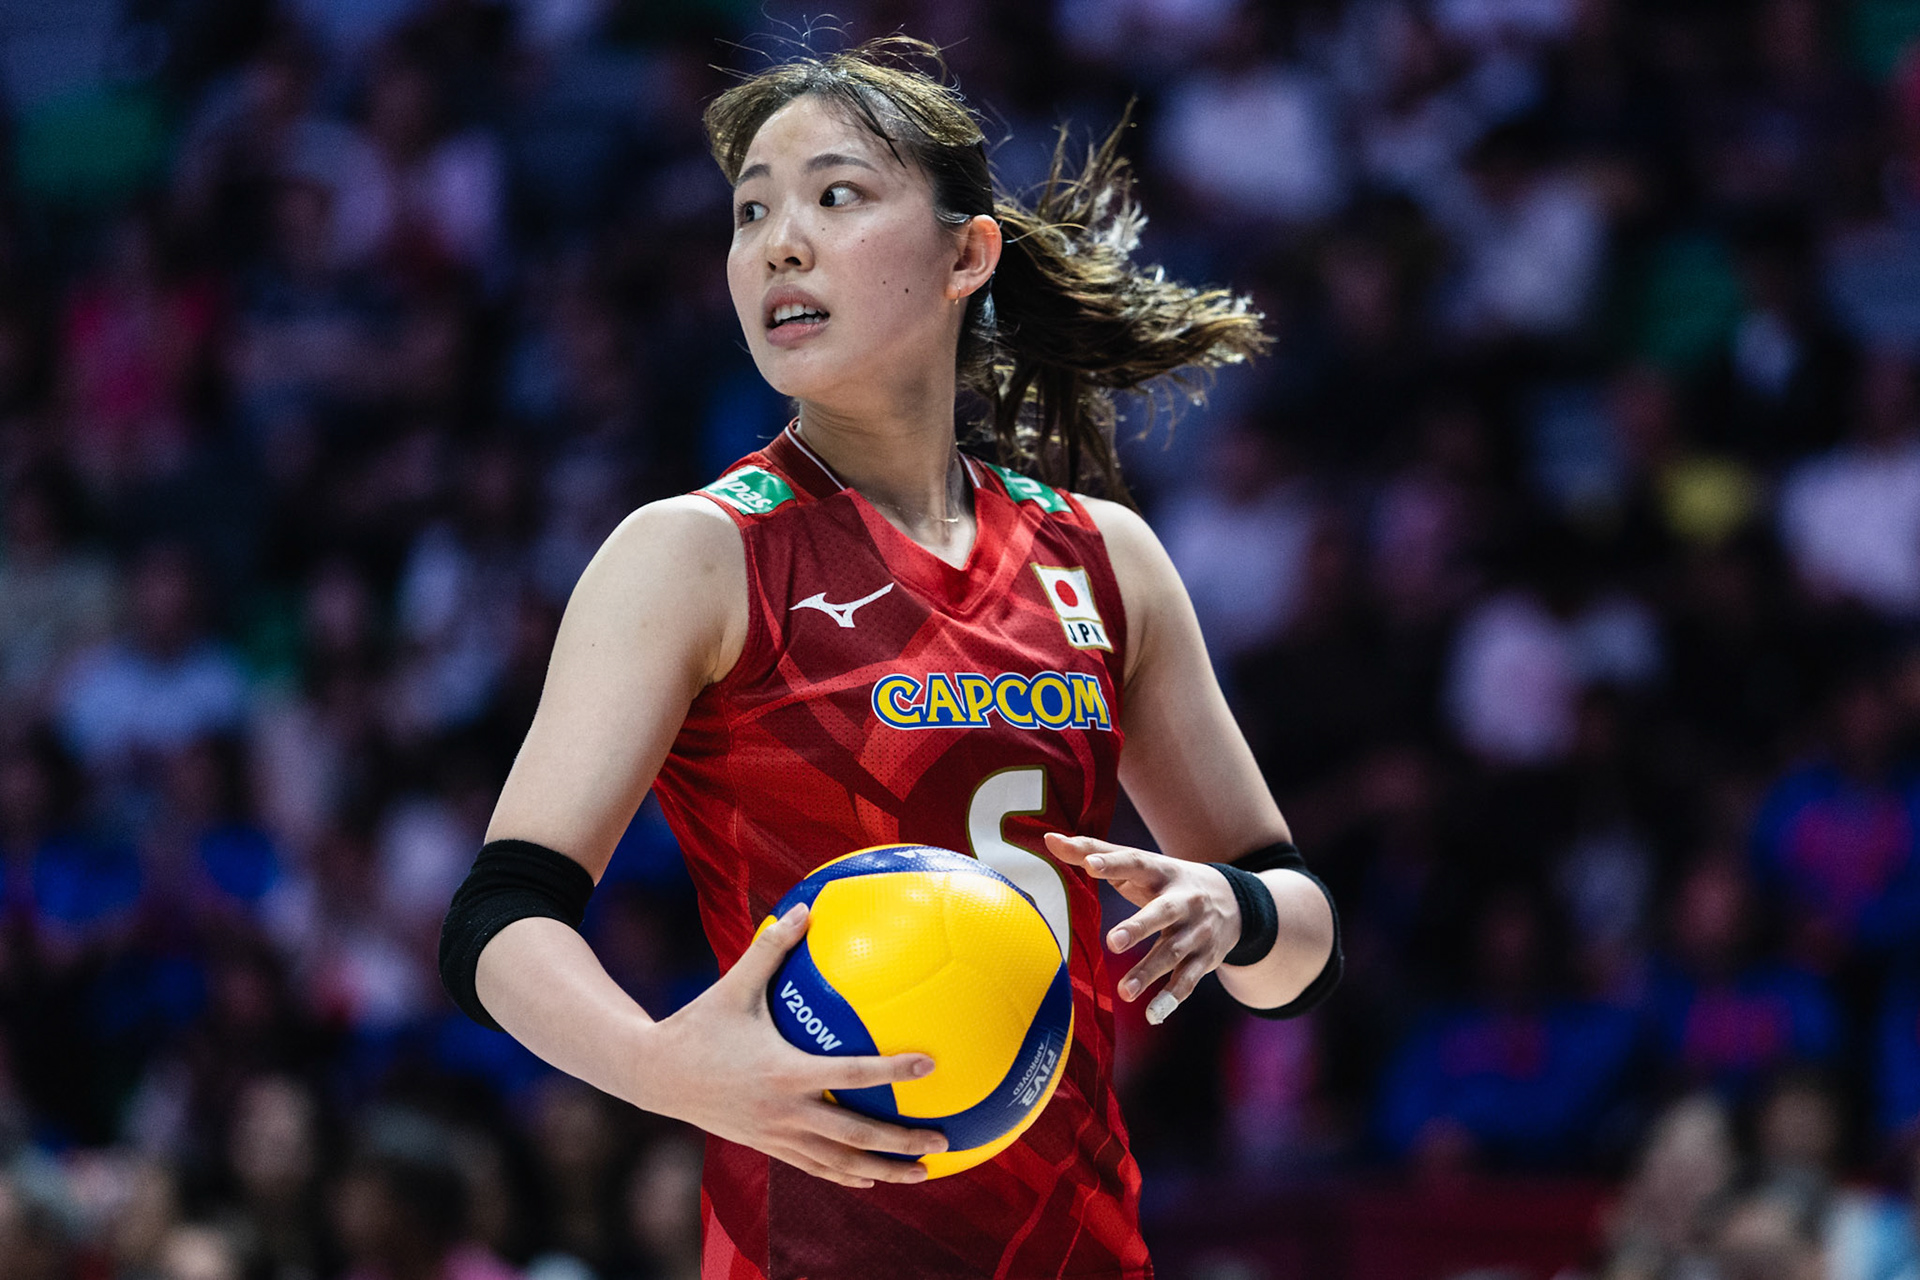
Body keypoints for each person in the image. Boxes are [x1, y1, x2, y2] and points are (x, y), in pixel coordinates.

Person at [438, 37, 1340, 1280]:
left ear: (968, 253)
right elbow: (499, 914)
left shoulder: (1105, 559)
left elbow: (1298, 936)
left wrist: (1229, 911)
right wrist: (664, 1062)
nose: (778, 242)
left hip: (1084, 1249)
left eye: (835, 193)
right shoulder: (696, 552)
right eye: (751, 209)